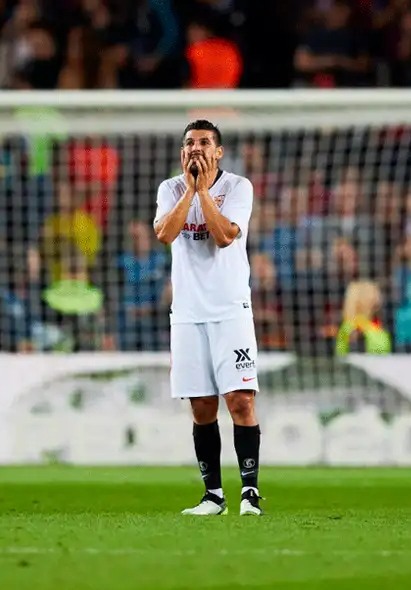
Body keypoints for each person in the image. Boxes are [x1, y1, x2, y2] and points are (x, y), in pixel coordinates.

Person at [153, 120, 262, 516]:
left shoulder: (238, 187)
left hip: (231, 310)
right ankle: (213, 495)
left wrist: (204, 192)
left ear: (218, 152)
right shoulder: (170, 189)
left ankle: (249, 492)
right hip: (186, 313)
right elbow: (165, 233)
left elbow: (224, 235)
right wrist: (192, 191)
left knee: (240, 401)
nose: (195, 149)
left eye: (203, 143)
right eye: (188, 143)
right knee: (201, 406)